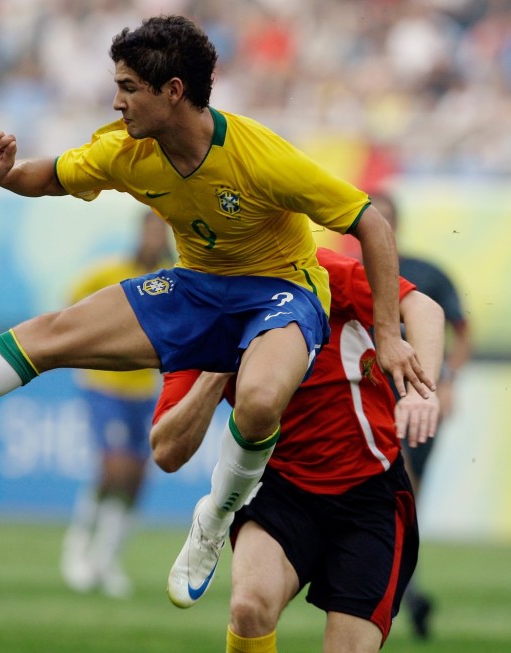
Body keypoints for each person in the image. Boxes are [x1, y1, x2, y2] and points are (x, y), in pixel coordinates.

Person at [0, 15, 435, 609]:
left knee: (261, 399)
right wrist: (6, 175)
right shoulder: (125, 151)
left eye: (128, 88)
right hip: (198, 288)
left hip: (282, 292)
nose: (117, 102)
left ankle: (214, 517)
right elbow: (49, 177)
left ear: (173, 90)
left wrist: (389, 336)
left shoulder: (260, 157)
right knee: (47, 337)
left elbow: (370, 223)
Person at [149, 247, 445, 653]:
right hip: (279, 487)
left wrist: (423, 393)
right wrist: (217, 370)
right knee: (249, 607)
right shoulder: (193, 316)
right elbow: (167, 450)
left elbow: (423, 307)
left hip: (368, 492)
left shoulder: (311, 266)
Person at [370, 191, 472, 638]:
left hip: (420, 398)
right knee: (394, 489)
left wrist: (447, 381)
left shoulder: (427, 273)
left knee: (405, 500)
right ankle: (404, 595)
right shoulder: (348, 275)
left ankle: (404, 592)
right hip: (372, 401)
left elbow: (461, 328)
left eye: (386, 220)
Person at [60, 211, 173, 598]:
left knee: (138, 476)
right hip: (105, 384)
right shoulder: (107, 273)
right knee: (113, 467)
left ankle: (106, 558)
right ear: (140, 231)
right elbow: (69, 312)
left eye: (162, 229)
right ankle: (77, 550)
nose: (156, 236)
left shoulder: (175, 280)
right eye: (151, 228)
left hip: (145, 390)